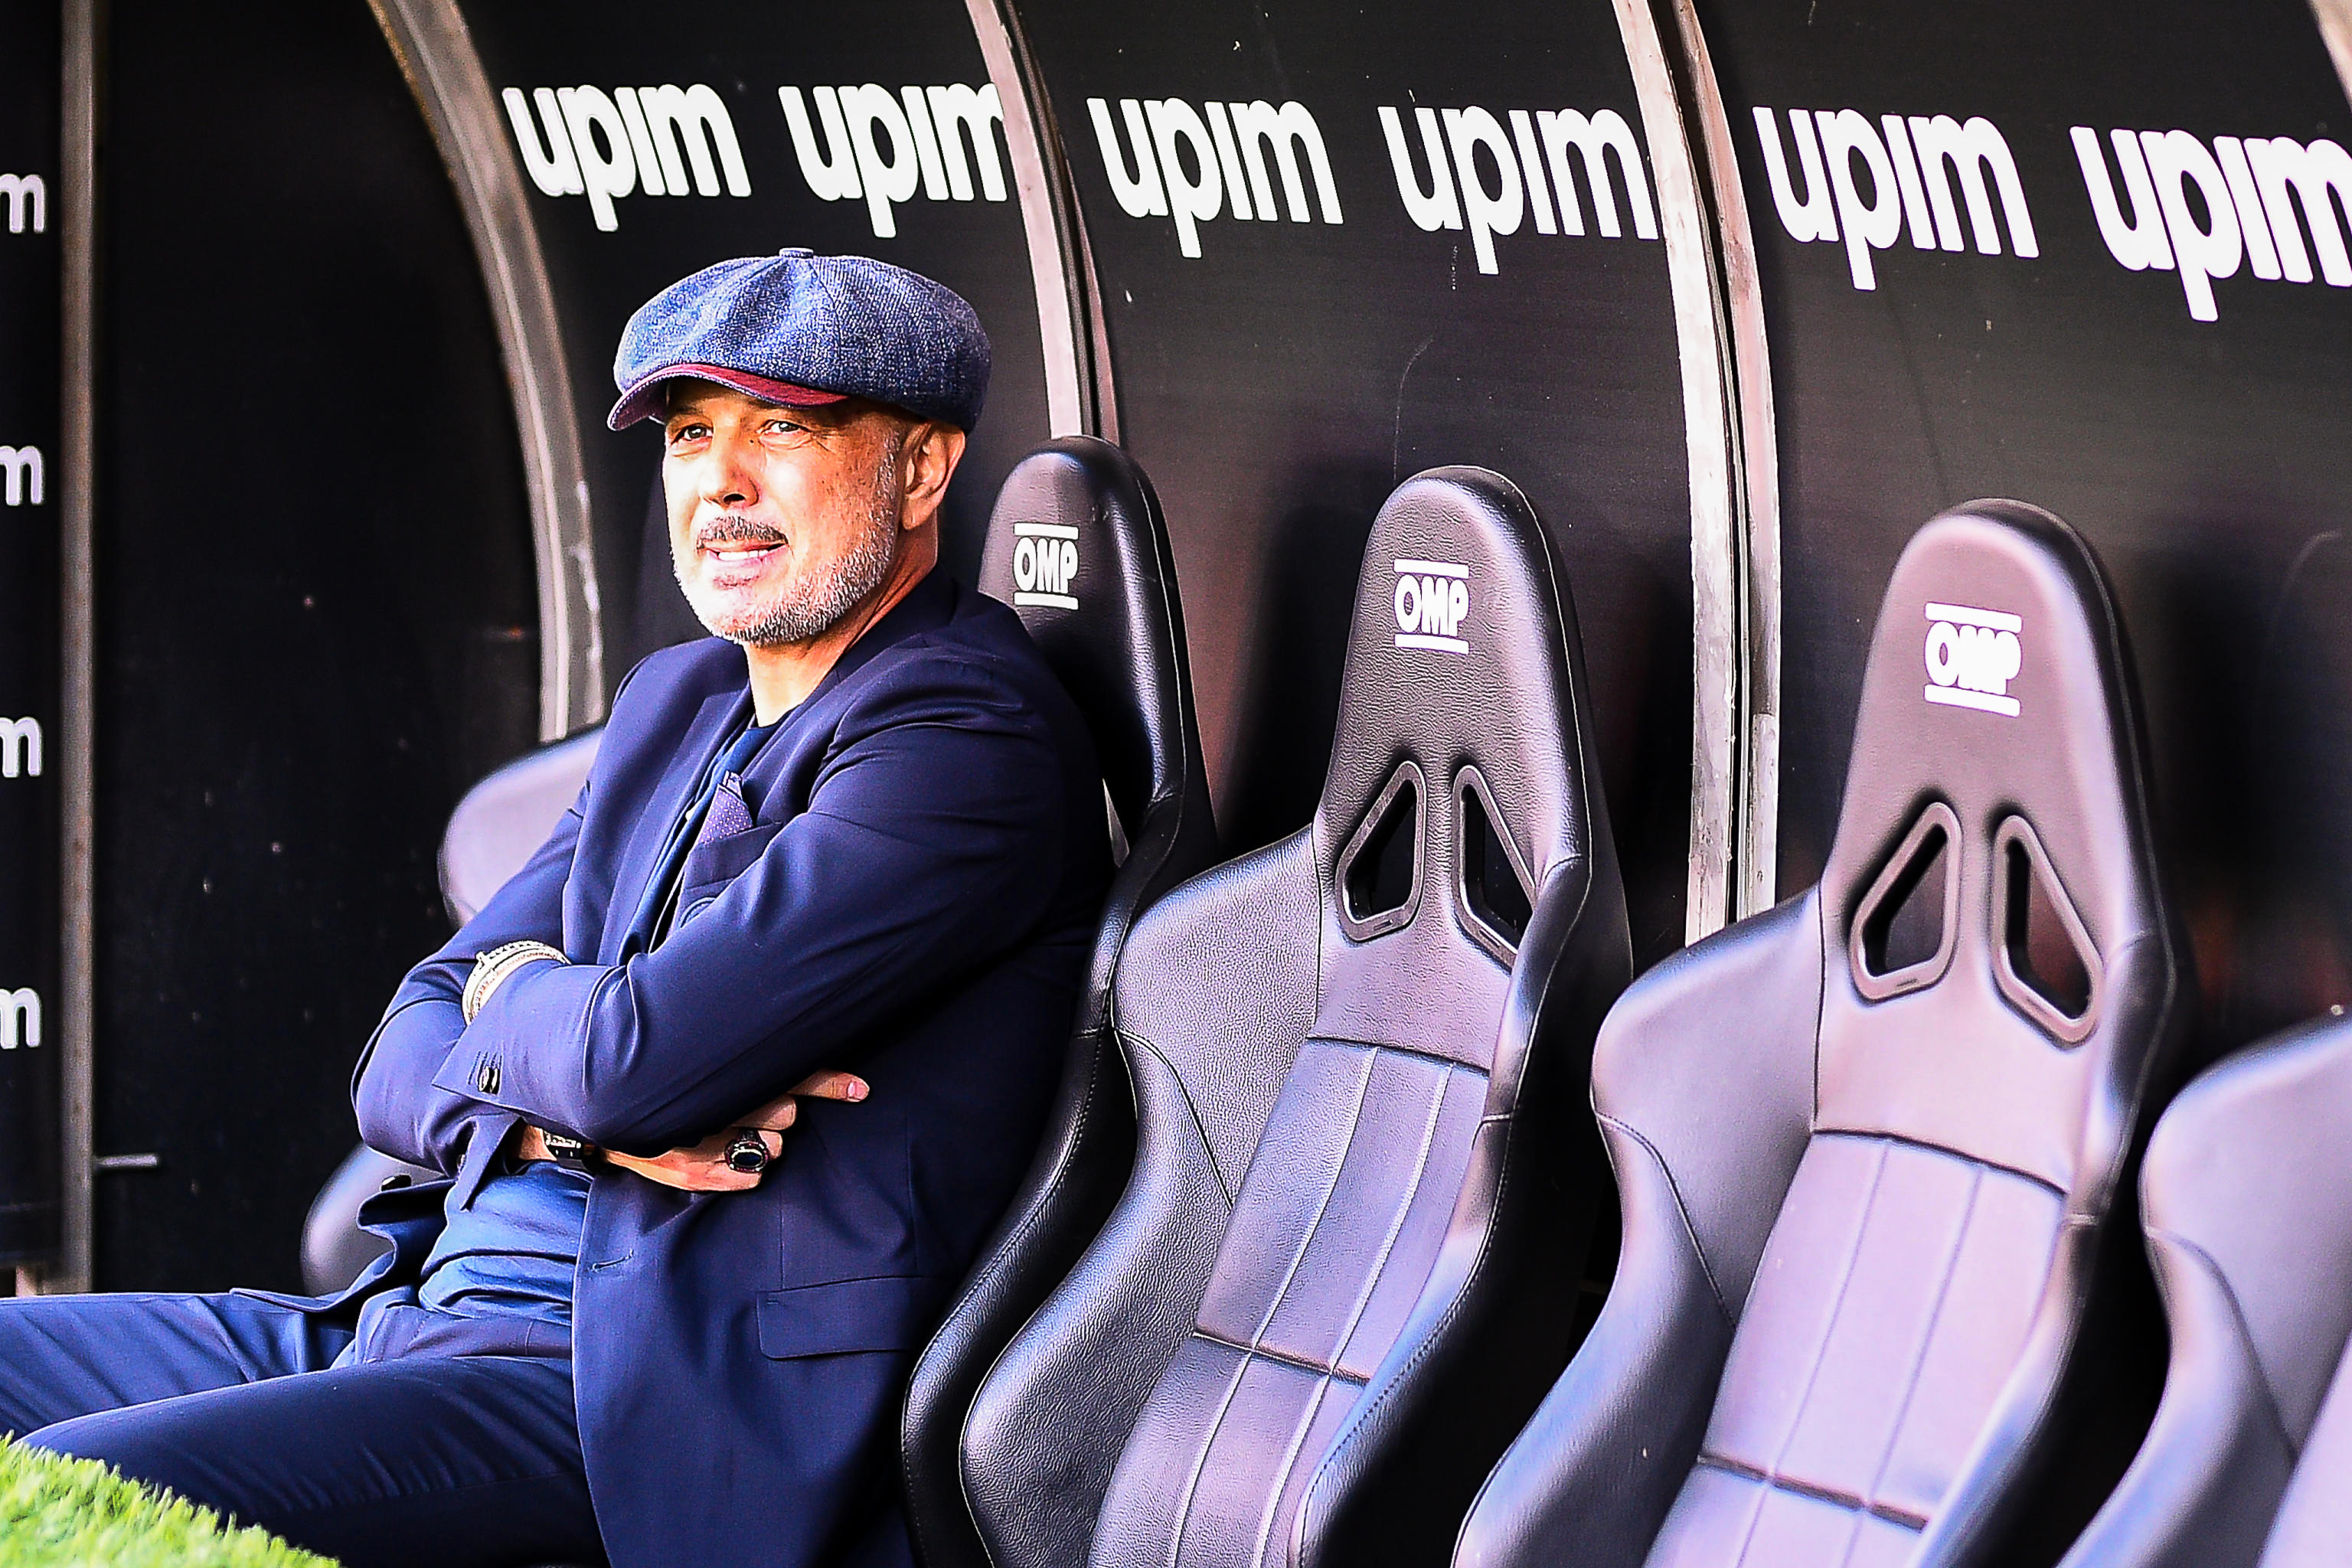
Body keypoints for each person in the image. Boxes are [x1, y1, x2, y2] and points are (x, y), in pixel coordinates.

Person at [0, 250, 1112, 1568]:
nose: (723, 481)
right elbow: (397, 1057)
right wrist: (557, 1125)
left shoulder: (964, 732)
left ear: (922, 470)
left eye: (784, 428)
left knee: (72, 1502)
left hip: (633, 1398)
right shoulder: (679, 704)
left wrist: (532, 1016)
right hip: (420, 1311)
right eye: (693, 435)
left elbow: (629, 1061)